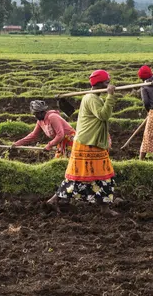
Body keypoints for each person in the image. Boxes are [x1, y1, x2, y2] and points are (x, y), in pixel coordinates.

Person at [46, 70, 117, 212]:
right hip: (87, 143)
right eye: (107, 82)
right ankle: (55, 199)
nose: (109, 84)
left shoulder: (95, 97)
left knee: (99, 175)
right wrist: (110, 96)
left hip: (92, 141)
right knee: (81, 175)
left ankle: (102, 206)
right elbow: (103, 115)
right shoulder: (91, 98)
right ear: (100, 83)